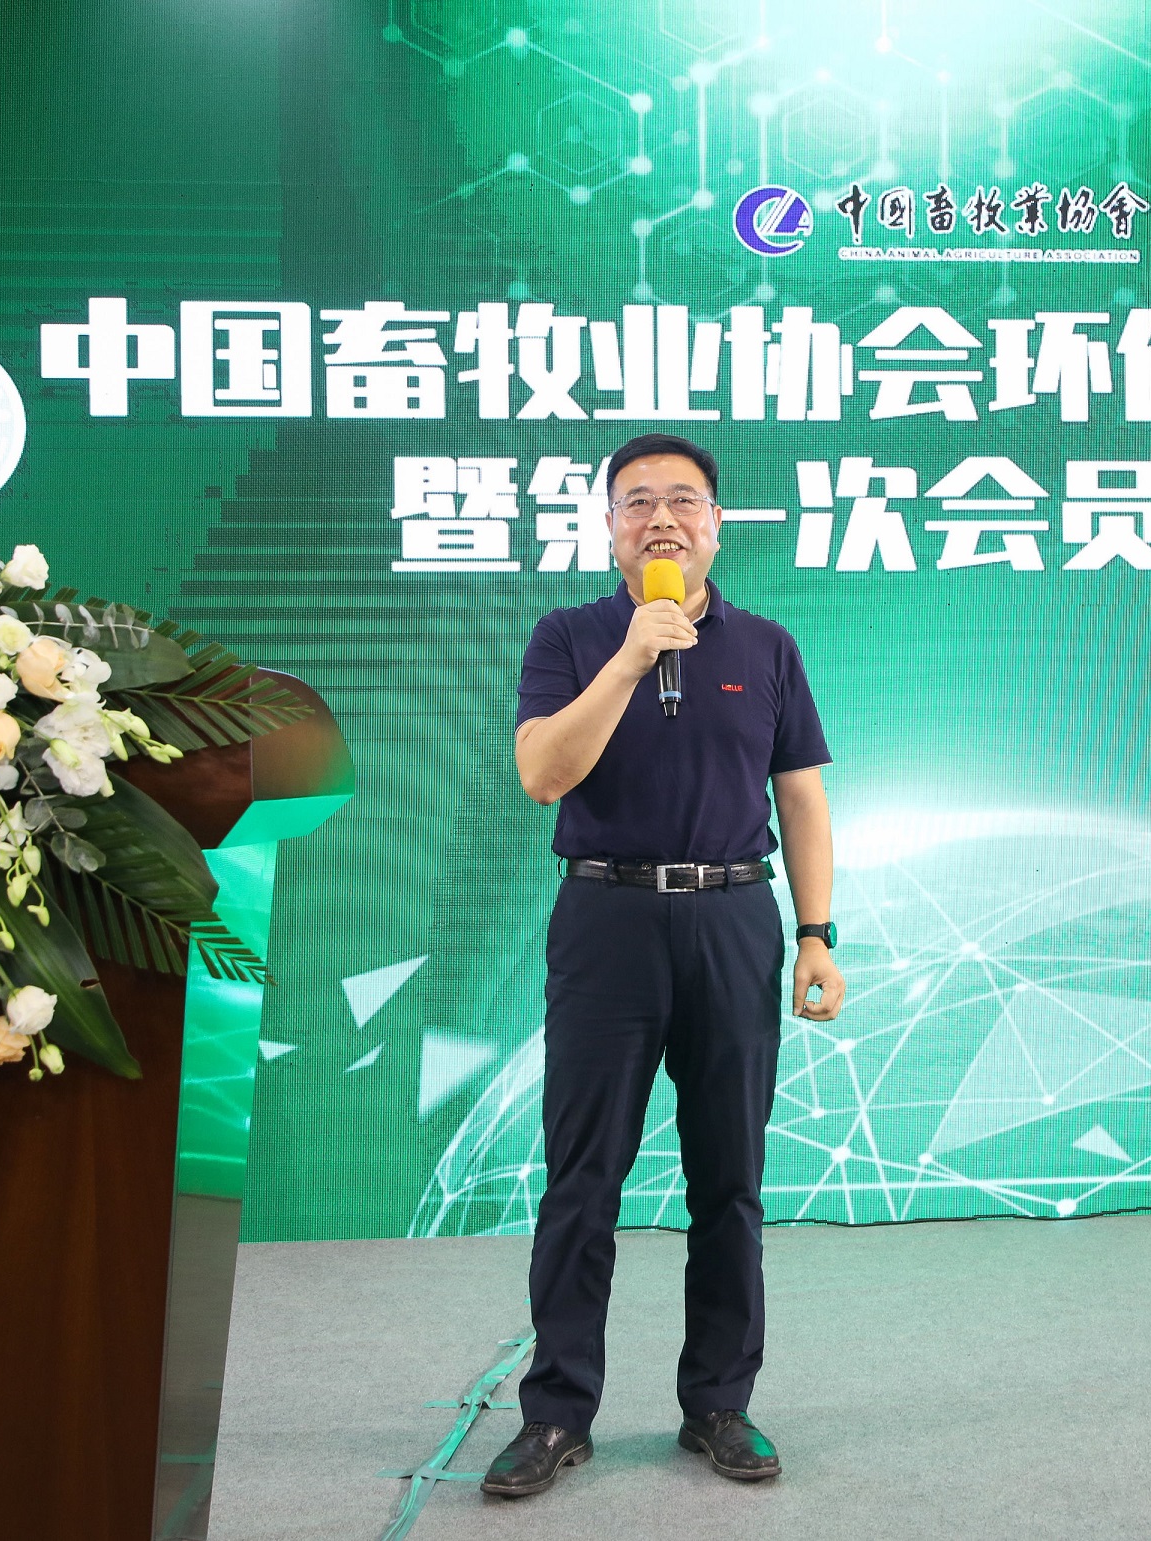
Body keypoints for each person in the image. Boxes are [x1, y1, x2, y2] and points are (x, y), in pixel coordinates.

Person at [483, 432, 846, 1499]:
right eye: (637, 501)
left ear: (715, 524)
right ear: (609, 526)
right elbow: (542, 774)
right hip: (607, 919)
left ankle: (719, 1402)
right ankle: (557, 1411)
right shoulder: (571, 635)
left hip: (734, 918)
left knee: (729, 1178)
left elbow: (801, 796)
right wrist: (633, 658)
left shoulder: (767, 645)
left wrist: (817, 933)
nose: (661, 518)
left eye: (683, 500)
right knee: (582, 1174)